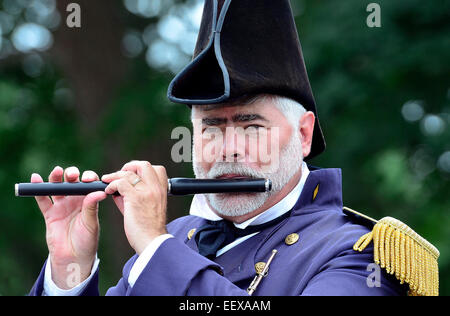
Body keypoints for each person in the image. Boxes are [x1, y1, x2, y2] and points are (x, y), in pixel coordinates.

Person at [28, 0, 438, 296]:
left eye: (250, 125)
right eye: (211, 127)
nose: (229, 149)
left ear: (304, 134)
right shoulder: (176, 239)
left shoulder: (360, 255)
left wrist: (156, 248)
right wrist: (69, 270)